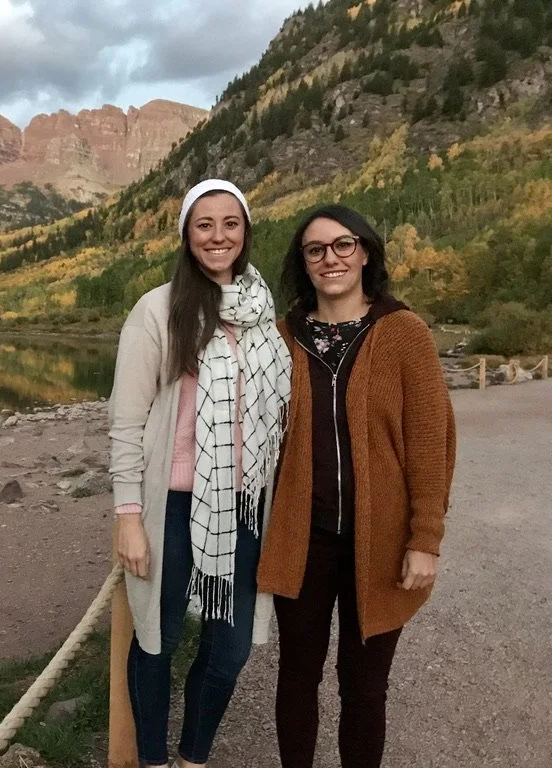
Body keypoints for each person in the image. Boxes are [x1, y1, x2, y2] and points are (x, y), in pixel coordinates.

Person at [257, 205, 456, 768]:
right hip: (305, 536)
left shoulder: (403, 333)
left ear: (366, 252)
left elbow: (429, 442)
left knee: (364, 685)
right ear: (304, 262)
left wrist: (426, 538)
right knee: (297, 674)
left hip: (383, 539)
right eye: (316, 249)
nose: (331, 259)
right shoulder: (281, 336)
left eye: (343, 245)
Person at [109, 179, 292, 768]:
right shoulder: (159, 309)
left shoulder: (265, 315)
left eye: (230, 223)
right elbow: (127, 422)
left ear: (246, 231)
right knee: (155, 640)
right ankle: (153, 760)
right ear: (187, 235)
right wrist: (128, 516)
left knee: (230, 647)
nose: (218, 236)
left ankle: (193, 756)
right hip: (170, 505)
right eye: (204, 224)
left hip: (241, 506)